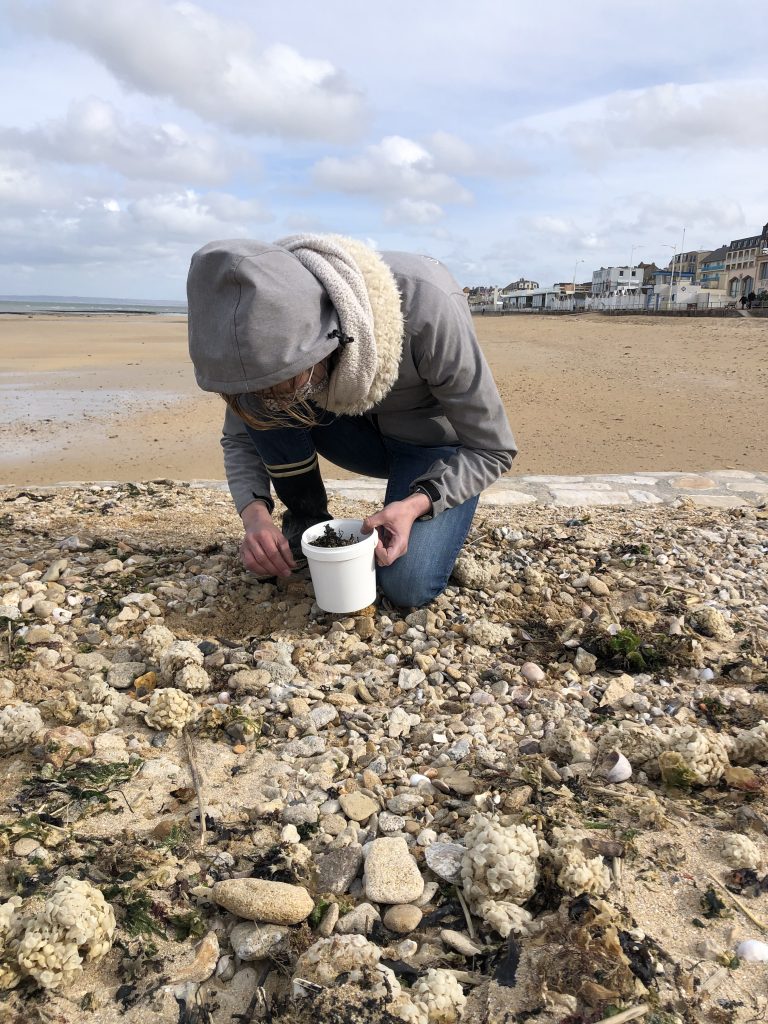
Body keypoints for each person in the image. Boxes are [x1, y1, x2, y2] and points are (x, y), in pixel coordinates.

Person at [186, 234, 517, 608]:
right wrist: (255, 518)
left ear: (324, 338)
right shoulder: (252, 334)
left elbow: (493, 448)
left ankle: (415, 499)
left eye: (286, 385)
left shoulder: (429, 305)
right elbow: (242, 436)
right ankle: (306, 521)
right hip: (347, 429)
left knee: (406, 585)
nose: (269, 398)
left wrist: (416, 503)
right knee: (267, 403)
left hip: (430, 445)